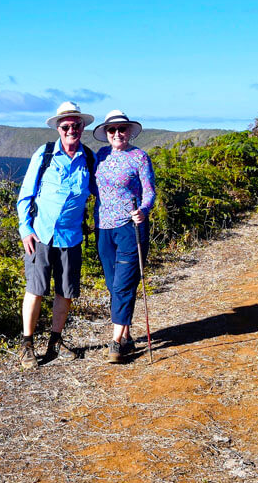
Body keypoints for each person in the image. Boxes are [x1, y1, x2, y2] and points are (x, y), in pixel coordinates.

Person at [16, 101, 95, 369]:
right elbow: (26, 194)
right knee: (35, 289)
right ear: (59, 129)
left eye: (76, 125)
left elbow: (102, 190)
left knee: (65, 291)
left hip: (71, 237)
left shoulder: (90, 158)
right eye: (66, 126)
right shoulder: (45, 154)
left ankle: (55, 341)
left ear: (83, 127)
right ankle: (27, 345)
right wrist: (25, 229)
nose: (71, 130)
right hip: (41, 235)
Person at [92, 110, 156, 363]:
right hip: (104, 229)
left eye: (122, 129)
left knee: (123, 285)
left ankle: (116, 342)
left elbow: (149, 190)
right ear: (106, 134)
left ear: (129, 131)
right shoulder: (101, 156)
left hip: (131, 228)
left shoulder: (139, 157)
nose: (117, 134)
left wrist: (143, 210)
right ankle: (127, 336)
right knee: (112, 284)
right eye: (112, 130)